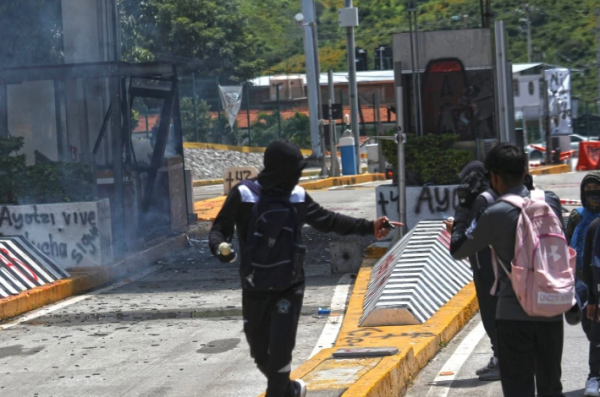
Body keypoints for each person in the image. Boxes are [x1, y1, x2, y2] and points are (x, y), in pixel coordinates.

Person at [208, 140, 400, 397]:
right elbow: (220, 228)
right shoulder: (244, 195)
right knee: (259, 353)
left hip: (290, 286)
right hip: (254, 287)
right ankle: (290, 390)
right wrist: (220, 246)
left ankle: (282, 390)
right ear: (282, 170)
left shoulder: (296, 196)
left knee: (279, 354)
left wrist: (369, 226)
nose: (298, 175)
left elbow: (328, 220)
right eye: (295, 170)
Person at [450, 143, 565, 397]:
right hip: (552, 310)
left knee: (518, 390)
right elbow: (560, 253)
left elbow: (458, 249)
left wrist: (464, 207)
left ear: (493, 177)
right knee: (551, 388)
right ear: (525, 170)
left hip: (513, 315)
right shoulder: (551, 202)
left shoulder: (494, 213)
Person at [445, 161, 500, 381]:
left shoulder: (481, 200)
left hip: (487, 267)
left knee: (491, 315)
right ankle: (499, 358)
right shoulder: (491, 196)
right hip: (489, 265)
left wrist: (457, 226)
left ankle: (501, 361)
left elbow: (474, 235)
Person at [567, 172, 600, 396]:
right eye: (587, 190)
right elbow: (566, 245)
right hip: (580, 280)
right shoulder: (577, 216)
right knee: (590, 328)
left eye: (596, 189)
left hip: (598, 278)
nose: (592, 195)